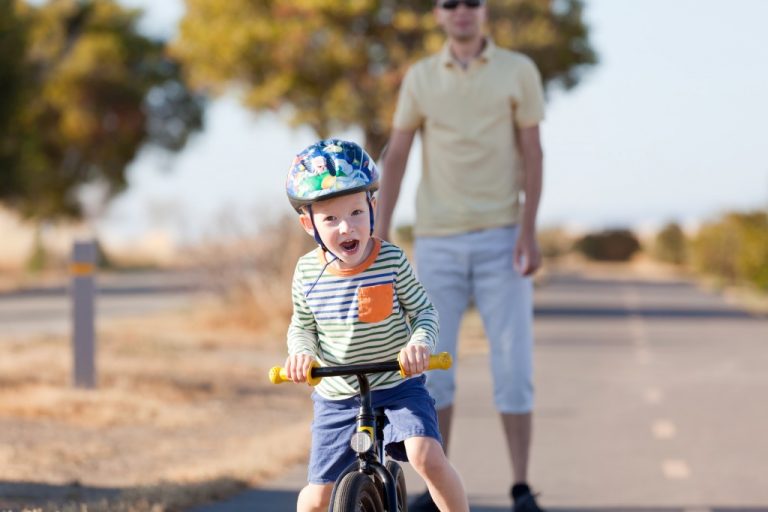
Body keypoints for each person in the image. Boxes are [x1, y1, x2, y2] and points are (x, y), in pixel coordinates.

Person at [374, 1, 547, 511]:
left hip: (501, 236)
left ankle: (520, 487)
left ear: (484, 10)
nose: (463, 10)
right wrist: (380, 236)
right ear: (438, 14)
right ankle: (436, 485)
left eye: (472, 1)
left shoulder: (519, 71)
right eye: (451, 3)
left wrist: (529, 230)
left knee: (513, 365)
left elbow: (533, 151)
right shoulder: (422, 78)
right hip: (438, 240)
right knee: (431, 367)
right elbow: (398, 154)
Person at [283, 138, 469, 512]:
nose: (346, 227)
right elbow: (302, 326)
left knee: (426, 456)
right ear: (309, 224)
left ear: (373, 207)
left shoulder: (391, 260)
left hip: (398, 383)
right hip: (337, 393)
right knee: (317, 497)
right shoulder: (306, 272)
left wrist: (419, 344)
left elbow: (424, 313)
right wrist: (301, 353)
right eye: (331, 219)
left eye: (355, 212)